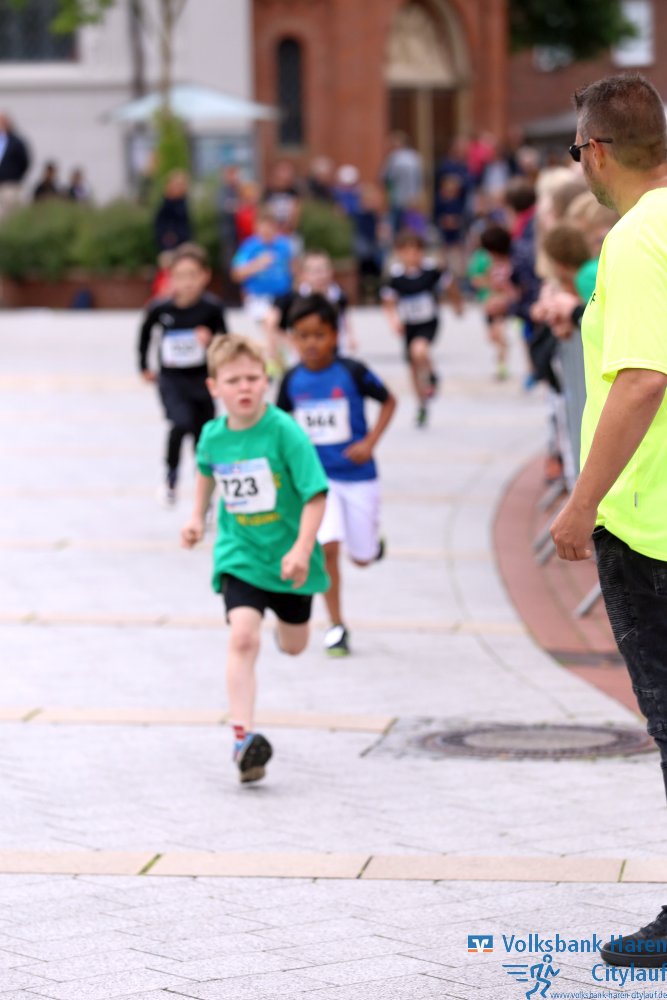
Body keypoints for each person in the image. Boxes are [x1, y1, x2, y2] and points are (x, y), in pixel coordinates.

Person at [549, 73, 667, 967]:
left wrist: (580, 504)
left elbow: (640, 379)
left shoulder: (633, 239)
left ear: (593, 150)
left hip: (650, 524)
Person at [181, 335, 329, 783]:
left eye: (252, 378)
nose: (244, 387)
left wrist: (301, 548)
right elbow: (206, 472)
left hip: (290, 559)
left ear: (266, 381)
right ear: (214, 387)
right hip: (240, 553)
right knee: (243, 637)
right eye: (233, 380)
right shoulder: (213, 436)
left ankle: (286, 625)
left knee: (295, 645)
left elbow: (316, 494)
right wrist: (196, 517)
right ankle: (243, 741)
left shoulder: (285, 431)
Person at [276, 295, 396, 656]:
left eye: (319, 335)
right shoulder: (291, 380)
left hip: (358, 476)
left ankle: (371, 544)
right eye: (302, 336)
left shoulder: (352, 371)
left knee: (361, 558)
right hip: (317, 483)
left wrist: (370, 442)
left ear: (335, 335)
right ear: (292, 339)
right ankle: (336, 626)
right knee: (327, 548)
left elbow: (389, 400)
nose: (311, 343)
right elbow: (280, 425)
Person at [138, 242, 227, 505]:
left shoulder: (212, 308)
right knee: (180, 423)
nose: (187, 282)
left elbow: (226, 343)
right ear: (170, 278)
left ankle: (205, 495)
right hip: (172, 379)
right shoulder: (160, 309)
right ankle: (171, 475)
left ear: (205, 276)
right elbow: (145, 335)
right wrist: (143, 366)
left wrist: (210, 341)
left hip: (202, 379)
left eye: (192, 275)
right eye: (180, 276)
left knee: (204, 437)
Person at [381, 229, 462, 427]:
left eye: (416, 251)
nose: (412, 256)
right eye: (406, 251)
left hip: (428, 322)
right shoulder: (396, 276)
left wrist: (457, 305)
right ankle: (421, 405)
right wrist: (393, 321)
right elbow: (388, 301)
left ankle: (432, 375)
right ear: (399, 253)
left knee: (419, 350)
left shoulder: (431, 271)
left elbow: (450, 286)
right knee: (413, 367)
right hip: (409, 324)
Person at [266, 249, 357, 372]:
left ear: (331, 271)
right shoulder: (293, 297)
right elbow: (270, 322)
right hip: (302, 356)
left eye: (323, 269)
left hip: (333, 352)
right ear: (304, 274)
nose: (320, 275)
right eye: (315, 271)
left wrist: (350, 336)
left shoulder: (337, 294)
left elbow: (343, 316)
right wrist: (282, 345)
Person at [231, 209, 294, 326]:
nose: (267, 231)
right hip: (259, 298)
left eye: (270, 227)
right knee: (270, 321)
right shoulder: (248, 247)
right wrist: (257, 265)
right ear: (256, 227)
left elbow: (293, 269)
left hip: (283, 297)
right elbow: (236, 274)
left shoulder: (285, 245)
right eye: (263, 227)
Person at [0, 113, 30, 219]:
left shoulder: (16, 142)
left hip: (10, 184)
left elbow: (24, 162)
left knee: (9, 214)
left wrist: (14, 175)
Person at [154, 170, 192, 252]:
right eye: (176, 185)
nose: (178, 188)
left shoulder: (183, 203)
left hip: (184, 244)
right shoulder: (165, 204)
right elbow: (160, 227)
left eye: (181, 185)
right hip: (170, 246)